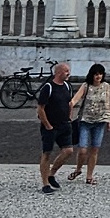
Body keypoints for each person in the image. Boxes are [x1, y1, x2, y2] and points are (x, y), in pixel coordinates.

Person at [35, 62, 75, 194]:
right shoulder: (48, 87)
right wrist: (47, 125)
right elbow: (40, 108)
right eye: (66, 71)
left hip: (64, 124)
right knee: (47, 153)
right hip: (51, 125)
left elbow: (70, 103)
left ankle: (51, 174)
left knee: (68, 150)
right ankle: (45, 183)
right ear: (58, 73)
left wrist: (69, 117)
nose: (68, 73)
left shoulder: (68, 86)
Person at [70, 63, 110, 185]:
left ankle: (89, 176)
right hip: (85, 120)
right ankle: (78, 169)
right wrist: (69, 106)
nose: (98, 76)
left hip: (100, 121)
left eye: (100, 74)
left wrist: (109, 120)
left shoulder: (106, 86)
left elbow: (107, 104)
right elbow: (76, 98)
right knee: (82, 149)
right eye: (96, 74)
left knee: (95, 149)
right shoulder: (86, 85)